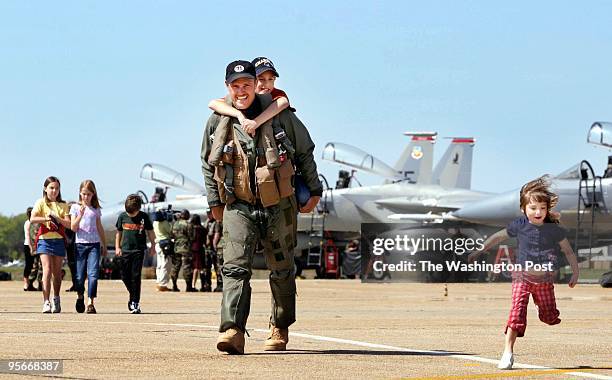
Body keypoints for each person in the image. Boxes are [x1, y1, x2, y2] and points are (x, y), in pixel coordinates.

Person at [201, 60, 322, 354]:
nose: (241, 91)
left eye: (246, 84)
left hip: (278, 205)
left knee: (281, 270)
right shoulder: (219, 120)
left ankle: (279, 326)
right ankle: (233, 330)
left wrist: (314, 190)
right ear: (228, 87)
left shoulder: (281, 115)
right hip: (238, 205)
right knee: (233, 269)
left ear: (256, 85)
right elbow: (207, 161)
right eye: (235, 85)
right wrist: (214, 201)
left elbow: (305, 151)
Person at [468, 176, 579, 370]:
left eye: (543, 208)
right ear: (523, 208)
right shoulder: (519, 225)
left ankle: (541, 308)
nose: (538, 212)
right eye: (533, 208)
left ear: (547, 209)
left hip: (544, 279)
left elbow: (568, 251)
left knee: (549, 318)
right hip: (521, 276)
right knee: (516, 314)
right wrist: (480, 250)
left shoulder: (554, 230)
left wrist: (575, 273)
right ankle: (507, 353)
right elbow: (498, 236)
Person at [29, 176, 72, 313]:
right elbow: (32, 218)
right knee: (46, 270)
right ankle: (46, 301)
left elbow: (69, 224)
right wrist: (47, 217)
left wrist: (57, 218)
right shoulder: (40, 203)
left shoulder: (63, 205)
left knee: (57, 273)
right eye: (51, 188)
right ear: (45, 189)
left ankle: (56, 298)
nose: (54, 191)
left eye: (57, 188)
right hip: (44, 239)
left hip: (58, 239)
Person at [70, 180, 107, 314]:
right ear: (80, 193)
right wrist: (80, 214)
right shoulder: (75, 208)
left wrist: (104, 243)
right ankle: (80, 296)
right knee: (79, 276)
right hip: (80, 245)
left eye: (89, 194)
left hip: (94, 246)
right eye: (84, 194)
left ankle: (90, 302)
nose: (86, 197)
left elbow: (99, 227)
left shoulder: (96, 210)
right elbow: (73, 227)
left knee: (93, 274)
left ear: (93, 195)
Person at [115, 194, 156, 314]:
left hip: (139, 250)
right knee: (124, 275)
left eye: (132, 213)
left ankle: (135, 302)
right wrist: (117, 247)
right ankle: (132, 293)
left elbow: (150, 232)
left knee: (136, 276)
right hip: (125, 250)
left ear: (138, 209)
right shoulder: (122, 217)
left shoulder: (144, 217)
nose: (130, 215)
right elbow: (119, 233)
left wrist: (153, 245)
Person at [170, 209, 195, 292]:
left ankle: (174, 285)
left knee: (175, 267)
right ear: (186, 215)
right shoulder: (188, 224)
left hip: (176, 248)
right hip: (186, 248)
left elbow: (171, 235)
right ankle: (188, 287)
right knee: (187, 267)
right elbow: (192, 237)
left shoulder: (175, 224)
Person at [153, 209, 173, 292]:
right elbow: (170, 231)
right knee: (166, 265)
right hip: (165, 245)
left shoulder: (155, 223)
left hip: (158, 244)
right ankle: (163, 284)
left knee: (159, 264)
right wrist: (170, 221)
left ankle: (159, 282)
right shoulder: (164, 223)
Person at [204, 210, 223, 292]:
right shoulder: (207, 223)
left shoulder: (217, 223)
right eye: (207, 213)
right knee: (207, 268)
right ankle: (207, 285)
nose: (208, 215)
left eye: (210, 213)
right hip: (207, 249)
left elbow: (216, 234)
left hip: (215, 249)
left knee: (217, 267)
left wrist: (215, 246)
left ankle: (219, 285)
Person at [190, 214, 206, 291]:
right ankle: (203, 285)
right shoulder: (202, 229)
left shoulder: (191, 229)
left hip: (193, 249)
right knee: (201, 268)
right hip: (200, 249)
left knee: (196, 268)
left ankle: (193, 285)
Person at [22, 207, 36, 291]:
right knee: (28, 265)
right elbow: (28, 236)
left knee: (34, 265)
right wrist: (31, 248)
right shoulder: (28, 223)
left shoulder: (35, 222)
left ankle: (31, 283)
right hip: (28, 245)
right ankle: (26, 283)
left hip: (35, 246)